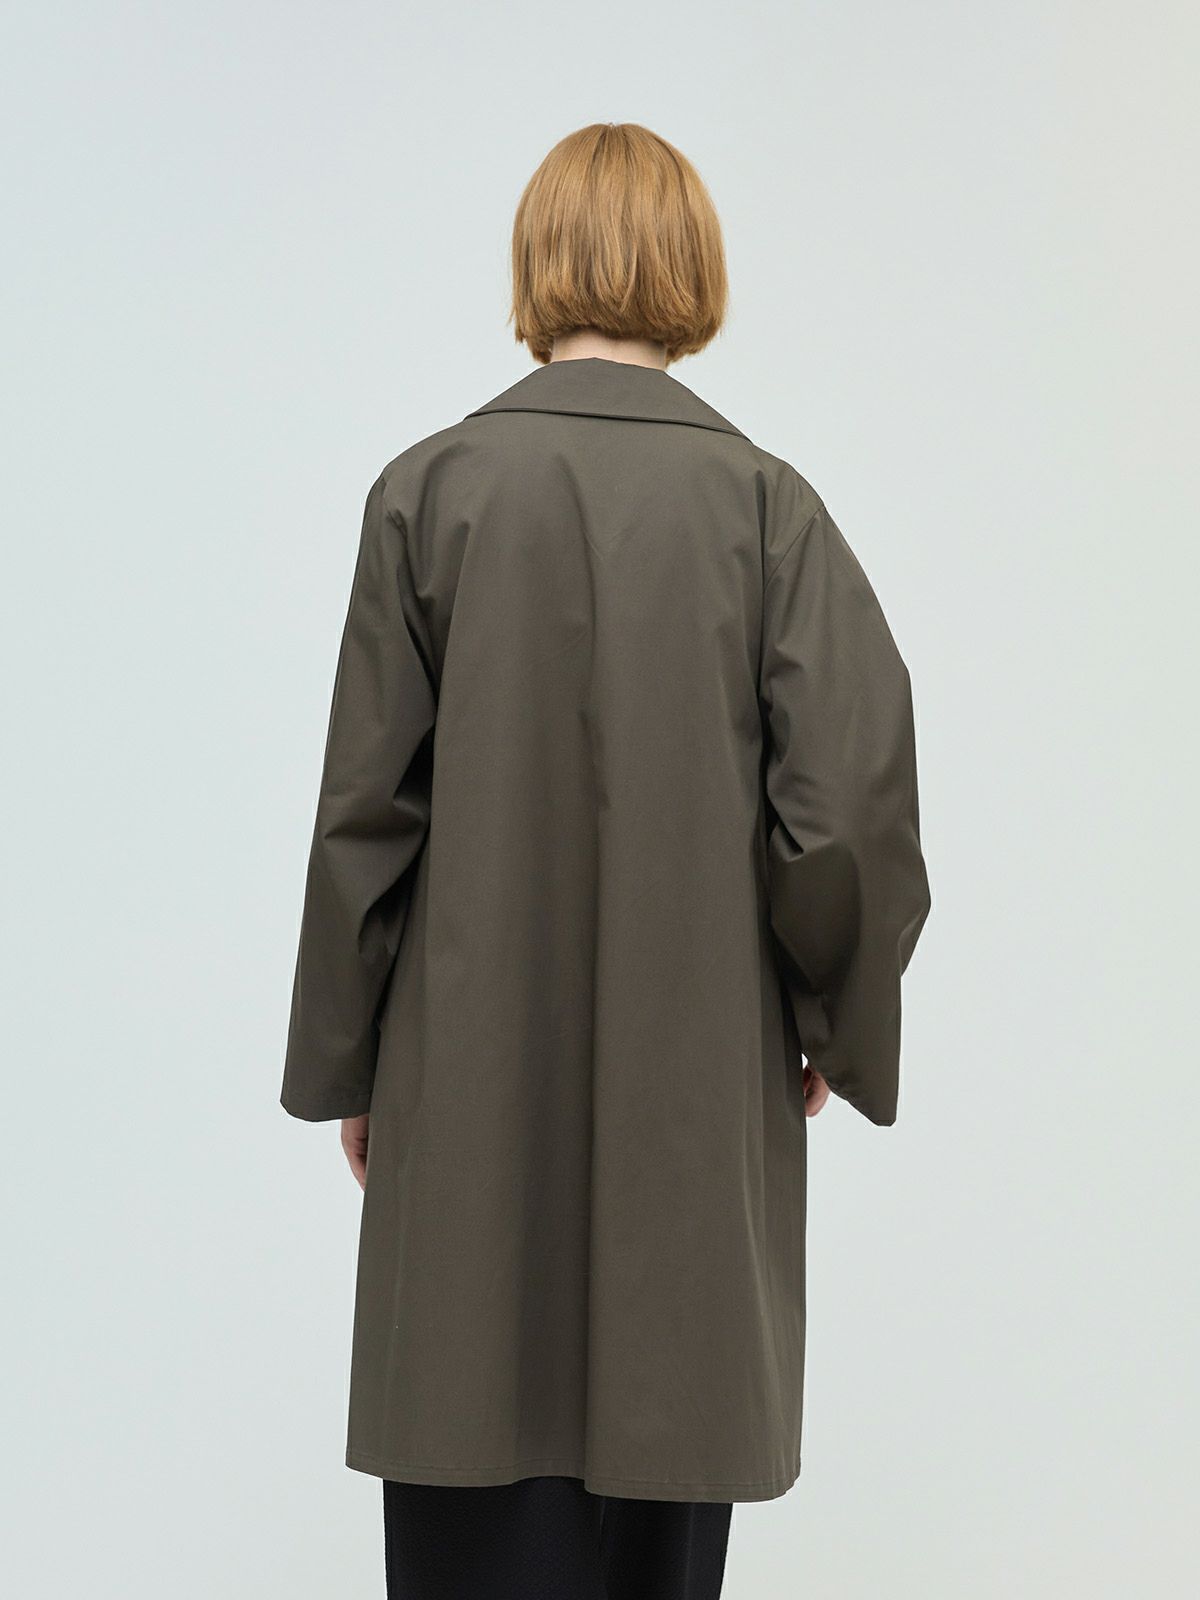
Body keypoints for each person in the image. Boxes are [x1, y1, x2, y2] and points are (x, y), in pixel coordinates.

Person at [280, 121, 931, 1599]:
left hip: (465, 1111)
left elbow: (363, 817)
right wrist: (831, 1016)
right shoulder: (769, 511)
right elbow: (849, 813)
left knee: (467, 1462)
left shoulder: (428, 494)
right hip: (698, 1115)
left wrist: (349, 1066)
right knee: (665, 1500)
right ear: (692, 267)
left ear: (536, 263)